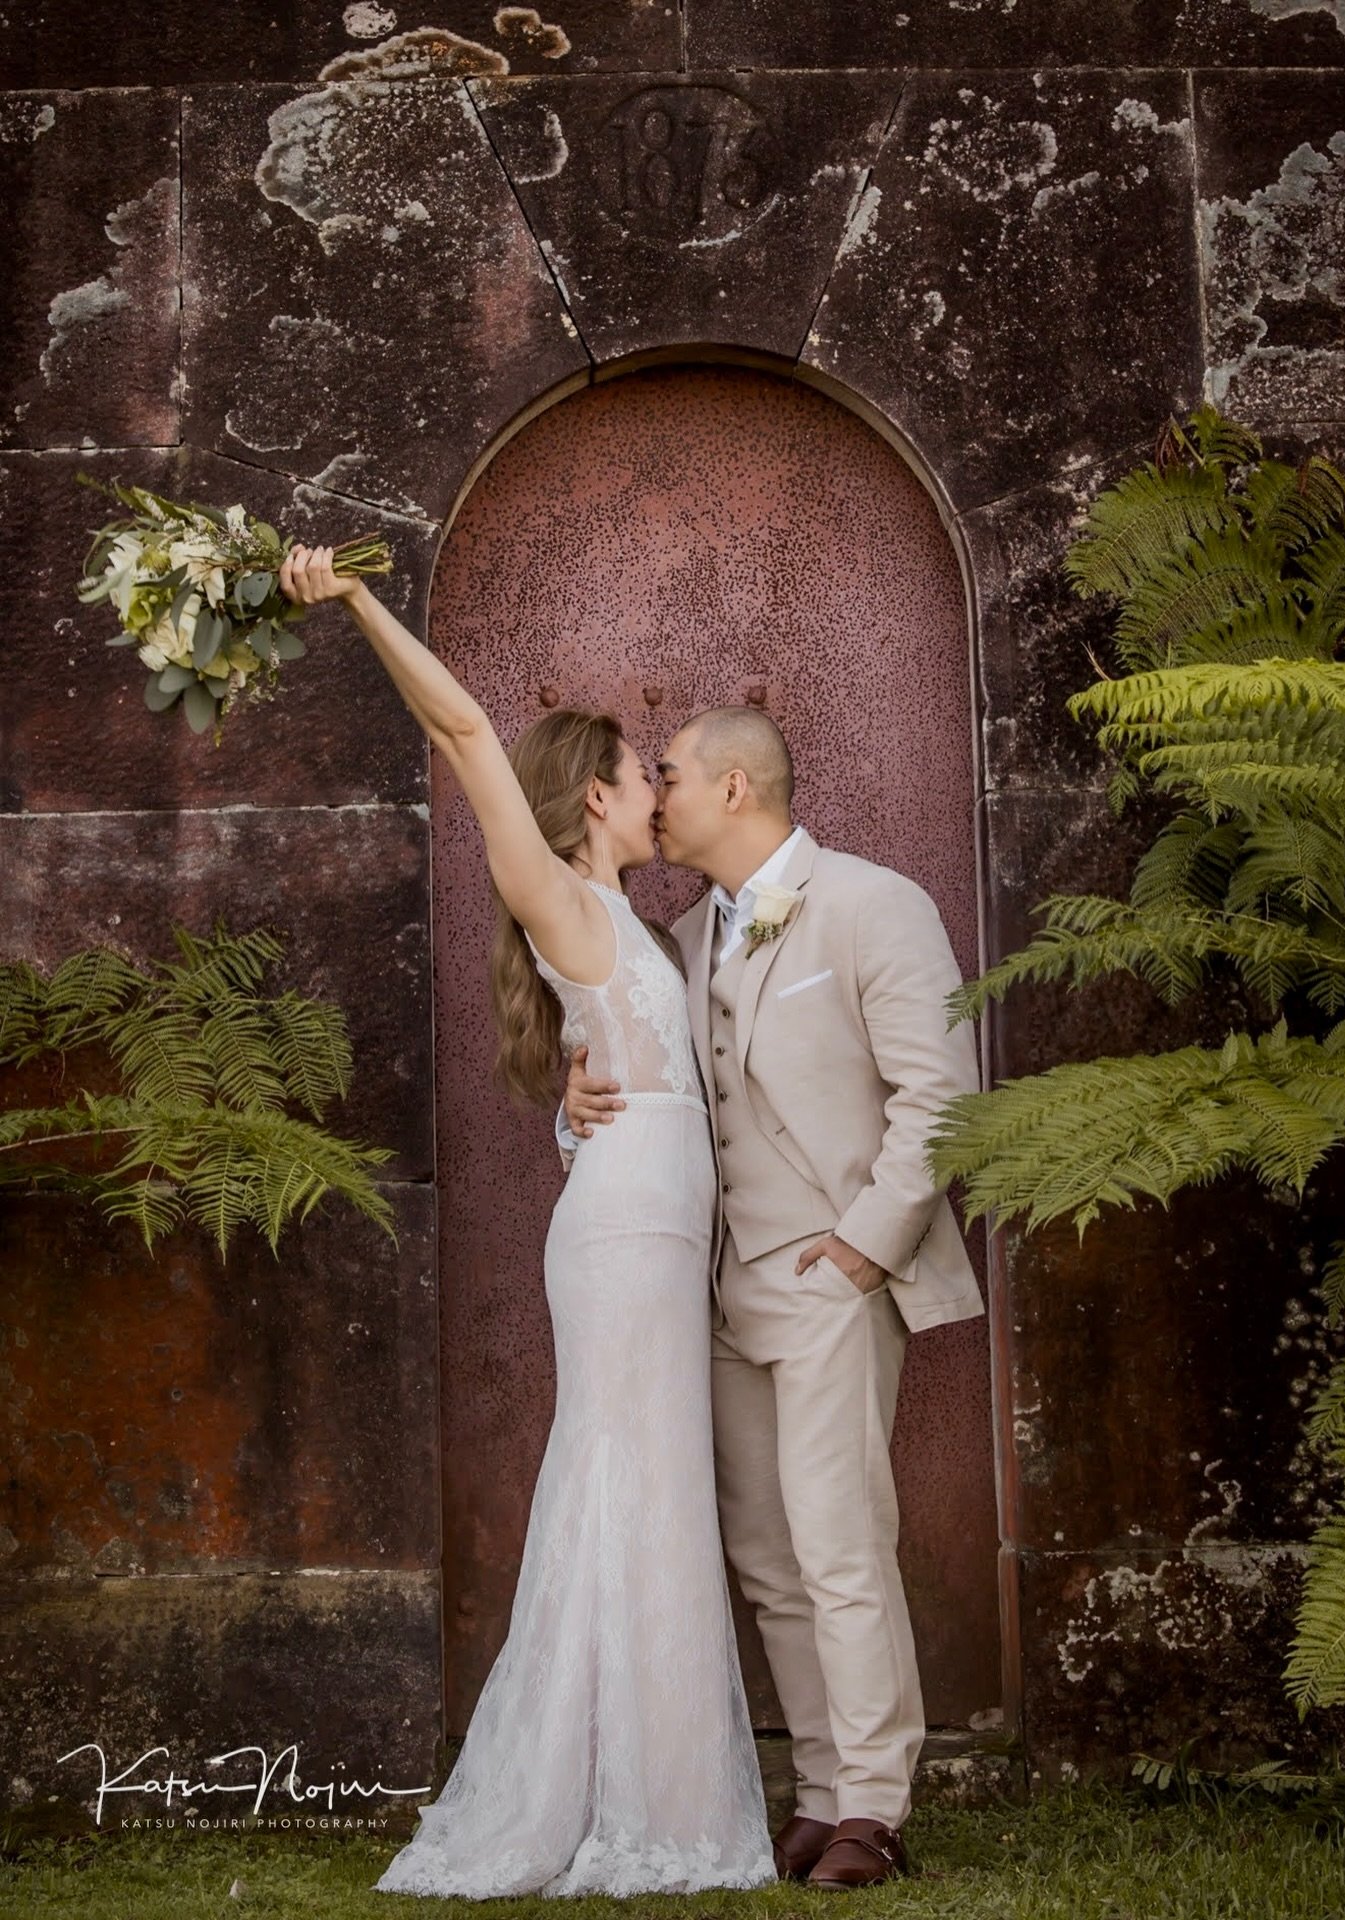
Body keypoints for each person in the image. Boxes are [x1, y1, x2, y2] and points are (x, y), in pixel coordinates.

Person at [277, 546, 775, 1899]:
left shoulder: (641, 929)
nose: (657, 791)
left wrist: (571, 1096)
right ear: (594, 801)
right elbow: (460, 728)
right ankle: (610, 1800)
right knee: (625, 1490)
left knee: (662, 1493)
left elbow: (649, 1068)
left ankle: (661, 1793)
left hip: (657, 1234)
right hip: (619, 1244)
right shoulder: (560, 900)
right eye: (641, 775)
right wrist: (359, 598)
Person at [562, 705, 985, 1891]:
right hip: (723, 1288)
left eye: (674, 774)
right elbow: (644, 1078)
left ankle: (877, 1809)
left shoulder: (873, 904)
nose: (659, 793)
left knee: (841, 1540)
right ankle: (820, 1792)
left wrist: (862, 1250)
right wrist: (578, 1101)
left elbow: (938, 1097)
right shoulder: (685, 940)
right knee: (765, 1554)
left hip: (832, 1276)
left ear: (736, 788)